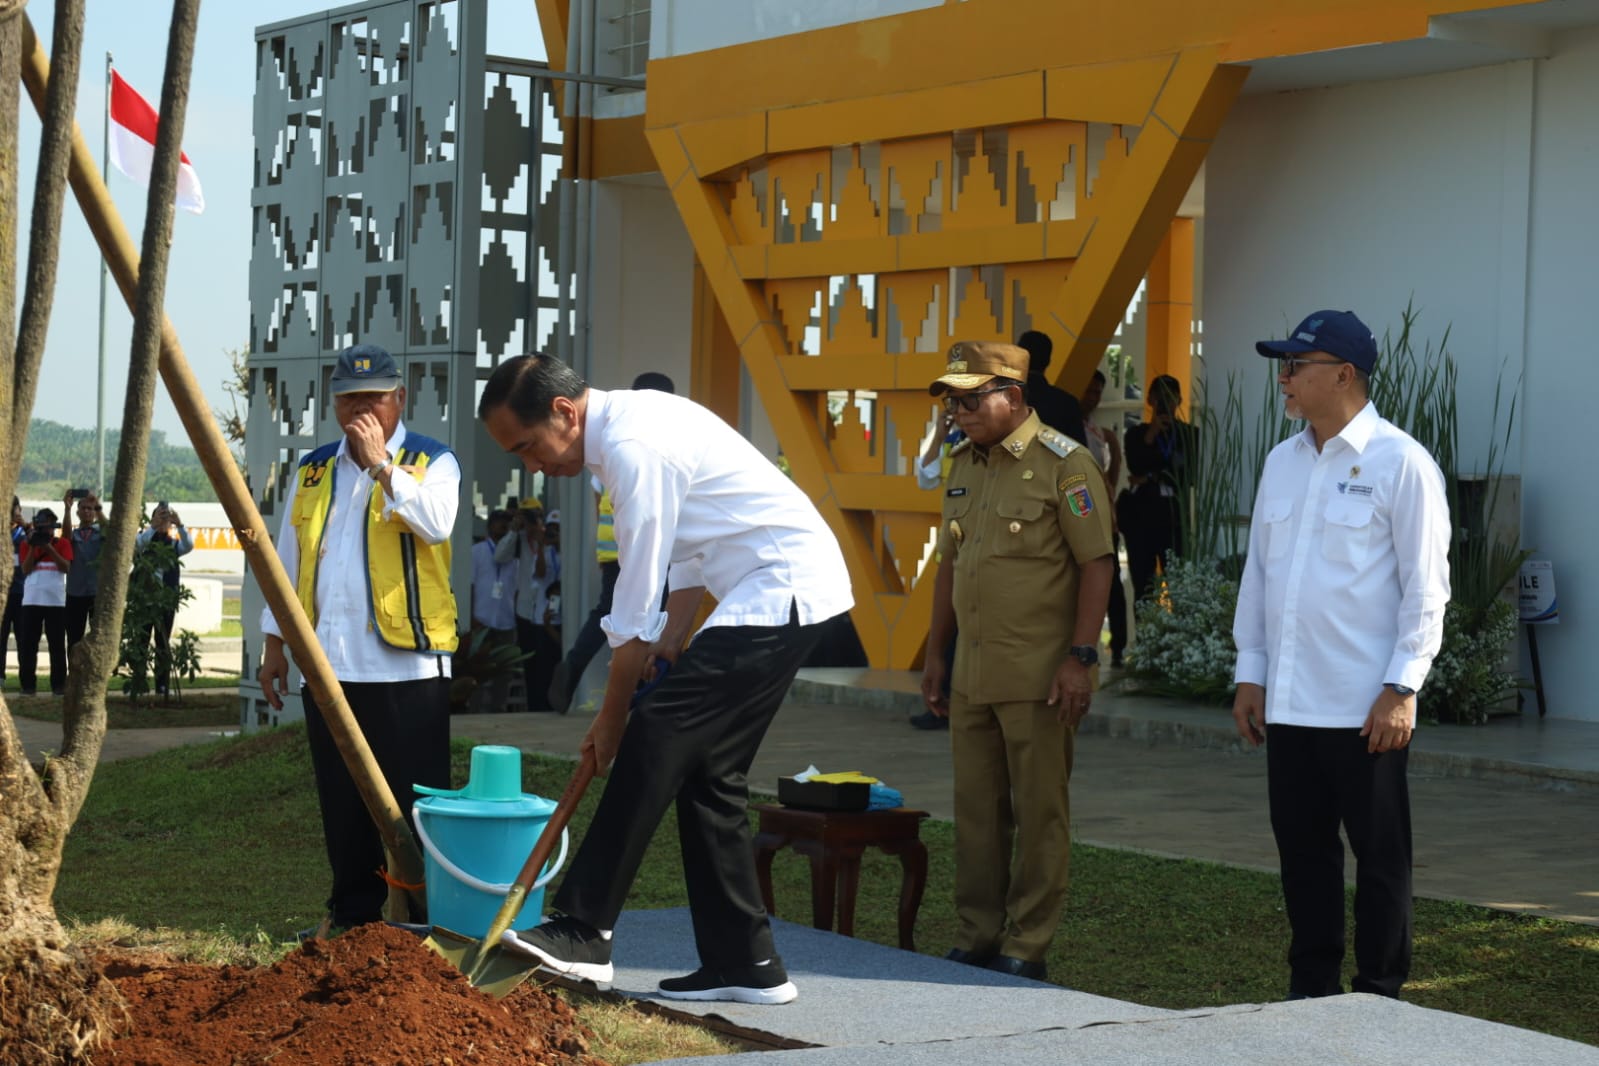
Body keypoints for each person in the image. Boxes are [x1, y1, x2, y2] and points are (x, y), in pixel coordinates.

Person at [481, 353, 852, 1005]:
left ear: (564, 413)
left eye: (528, 447)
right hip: (771, 589)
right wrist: (674, 640)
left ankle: (585, 930)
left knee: (654, 732)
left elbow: (634, 598)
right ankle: (745, 964)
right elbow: (682, 557)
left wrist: (612, 716)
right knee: (709, 776)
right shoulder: (623, 435)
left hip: (781, 588)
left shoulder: (633, 445)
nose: (532, 466)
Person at [1233, 310, 1450, 1000]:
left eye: (1296, 366)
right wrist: (1251, 672)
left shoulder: (1401, 462)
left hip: (1365, 708)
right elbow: (1259, 576)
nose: (1284, 379)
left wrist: (1401, 687)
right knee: (1303, 856)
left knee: (1380, 858)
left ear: (1343, 375)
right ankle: (1311, 990)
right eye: (1283, 366)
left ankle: (1379, 992)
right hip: (1290, 704)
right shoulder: (1281, 461)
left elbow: (1427, 588)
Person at [918, 341, 1114, 981]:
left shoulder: (1067, 465)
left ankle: (1027, 944)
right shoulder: (961, 465)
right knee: (976, 814)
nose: (959, 412)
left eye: (971, 399)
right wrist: (935, 655)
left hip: (1039, 678)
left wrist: (1081, 657)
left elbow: (1097, 564)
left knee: (1038, 814)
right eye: (952, 402)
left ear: (1013, 396)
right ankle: (977, 933)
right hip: (971, 674)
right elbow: (950, 566)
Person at [256, 343, 459, 932]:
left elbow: (437, 523)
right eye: (349, 400)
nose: (361, 412)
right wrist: (275, 644)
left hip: (406, 667)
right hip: (328, 664)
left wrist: (381, 468)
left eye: (374, 399)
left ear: (401, 398)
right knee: (341, 799)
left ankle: (424, 920)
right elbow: (287, 560)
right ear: (333, 405)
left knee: (416, 803)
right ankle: (353, 916)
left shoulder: (432, 460)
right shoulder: (314, 469)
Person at [553, 370, 677, 712]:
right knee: (653, 613)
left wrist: (604, 552)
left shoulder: (610, 444)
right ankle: (640, 689)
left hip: (613, 548)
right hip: (650, 548)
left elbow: (600, 508)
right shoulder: (656, 442)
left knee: (609, 610)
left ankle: (574, 666)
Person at [908, 409, 967, 730]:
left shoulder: (991, 444)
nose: (959, 410)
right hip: (951, 545)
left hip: (976, 547)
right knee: (946, 629)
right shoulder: (953, 440)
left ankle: (953, 705)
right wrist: (939, 434)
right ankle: (939, 703)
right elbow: (925, 478)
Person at [1120, 373, 1194, 603]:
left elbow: (1189, 475)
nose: (1165, 403)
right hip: (1141, 518)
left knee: (1179, 586)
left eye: (1170, 398)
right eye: (1160, 397)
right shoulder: (1136, 434)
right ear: (1150, 400)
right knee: (1144, 587)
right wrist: (1151, 434)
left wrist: (1150, 476)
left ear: (1179, 400)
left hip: (1174, 518)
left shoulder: (1189, 435)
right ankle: (1145, 625)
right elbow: (1134, 464)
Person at [1079, 371, 1128, 666]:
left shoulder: (1102, 434)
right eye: (1088, 390)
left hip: (1102, 517)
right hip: (1075, 516)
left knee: (1111, 585)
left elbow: (1112, 475)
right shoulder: (1065, 428)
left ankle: (1118, 646)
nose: (1092, 397)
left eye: (1097, 392)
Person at [495, 500, 562, 711]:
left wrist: (542, 538)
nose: (530, 522)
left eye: (533, 516)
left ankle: (548, 705)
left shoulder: (548, 540)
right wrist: (514, 531)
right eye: (525, 517)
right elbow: (499, 556)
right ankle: (534, 707)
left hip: (546, 612)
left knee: (548, 663)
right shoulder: (519, 539)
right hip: (525, 612)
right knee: (530, 666)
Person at [134, 503, 195, 696]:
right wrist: (152, 527)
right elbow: (136, 545)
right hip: (144, 600)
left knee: (163, 643)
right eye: (160, 518)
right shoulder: (145, 540)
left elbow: (189, 545)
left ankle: (162, 686)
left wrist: (180, 525)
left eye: (166, 519)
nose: (163, 523)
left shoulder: (174, 544)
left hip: (166, 601)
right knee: (141, 642)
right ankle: (139, 684)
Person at [18, 507, 73, 697]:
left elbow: (65, 567)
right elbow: (25, 569)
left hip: (55, 602)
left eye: (49, 526)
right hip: (31, 600)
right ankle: (28, 686)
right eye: (42, 526)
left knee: (56, 645)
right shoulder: (26, 544)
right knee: (28, 645)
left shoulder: (62, 543)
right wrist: (33, 546)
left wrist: (49, 547)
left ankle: (58, 685)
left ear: (54, 527)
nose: (46, 530)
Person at [468, 508, 519, 712]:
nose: (503, 525)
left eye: (507, 522)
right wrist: (470, 616)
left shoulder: (514, 553)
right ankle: (475, 710)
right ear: (490, 526)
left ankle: (499, 709)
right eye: (499, 521)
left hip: (506, 620)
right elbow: (470, 586)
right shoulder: (477, 551)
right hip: (481, 619)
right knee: (478, 669)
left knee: (504, 671)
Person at [1017, 329, 1087, 445]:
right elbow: (1076, 451)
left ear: (1018, 359)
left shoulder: (1002, 400)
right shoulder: (1067, 404)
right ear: (1048, 361)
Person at [64, 491, 106, 648]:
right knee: (74, 637)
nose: (87, 511)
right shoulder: (74, 534)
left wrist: (98, 507)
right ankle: (73, 664)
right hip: (75, 592)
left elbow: (110, 530)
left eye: (90, 508)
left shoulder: (101, 533)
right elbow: (65, 537)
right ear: (78, 512)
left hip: (97, 592)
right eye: (83, 508)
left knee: (99, 637)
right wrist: (67, 509)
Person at [1, 497, 28, 683]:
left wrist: (25, 525)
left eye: (15, 510)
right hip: (3, 594)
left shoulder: (25, 534)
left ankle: (25, 678)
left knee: (23, 638)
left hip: (21, 592)